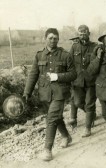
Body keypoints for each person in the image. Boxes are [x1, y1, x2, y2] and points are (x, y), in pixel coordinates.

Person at [23, 28, 77, 161]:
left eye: (55, 38)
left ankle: (47, 149)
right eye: (50, 38)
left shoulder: (65, 55)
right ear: (45, 39)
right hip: (44, 93)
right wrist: (27, 92)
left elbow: (73, 74)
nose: (53, 40)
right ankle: (66, 136)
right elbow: (33, 74)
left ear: (58, 39)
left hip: (60, 92)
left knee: (51, 118)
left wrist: (57, 76)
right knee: (56, 117)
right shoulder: (39, 55)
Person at [68, 25, 98, 137]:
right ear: (78, 35)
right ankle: (91, 114)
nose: (83, 36)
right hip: (77, 81)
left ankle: (87, 128)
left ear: (89, 33)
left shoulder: (95, 47)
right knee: (77, 102)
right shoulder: (74, 47)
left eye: (85, 33)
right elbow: (69, 63)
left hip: (91, 81)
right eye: (80, 34)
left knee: (90, 103)